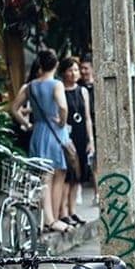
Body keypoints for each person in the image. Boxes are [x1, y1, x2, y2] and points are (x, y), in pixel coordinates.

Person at [10, 48, 72, 233]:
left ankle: (47, 219)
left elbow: (14, 108)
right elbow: (63, 106)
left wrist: (27, 125)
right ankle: (52, 220)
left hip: (38, 132)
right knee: (57, 176)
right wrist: (62, 121)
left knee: (43, 177)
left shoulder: (29, 86)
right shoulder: (56, 85)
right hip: (56, 133)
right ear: (56, 65)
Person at [58, 57, 94, 227]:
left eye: (76, 70)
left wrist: (90, 140)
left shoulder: (82, 91)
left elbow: (87, 117)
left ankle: (72, 211)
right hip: (66, 136)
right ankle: (63, 211)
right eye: (70, 70)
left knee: (78, 177)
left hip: (80, 135)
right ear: (63, 72)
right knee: (67, 175)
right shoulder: (59, 90)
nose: (74, 73)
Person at [78, 54, 97, 203]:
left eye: (85, 68)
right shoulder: (78, 87)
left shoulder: (99, 85)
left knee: (97, 164)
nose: (83, 71)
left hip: (98, 128)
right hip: (82, 130)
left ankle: (99, 193)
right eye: (81, 68)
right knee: (90, 165)